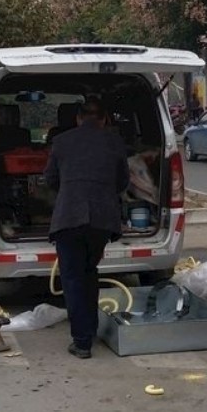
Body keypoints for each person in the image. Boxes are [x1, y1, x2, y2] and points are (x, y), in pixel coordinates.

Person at [43, 96, 130, 359]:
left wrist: (71, 193)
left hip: (69, 219)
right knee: (89, 271)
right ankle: (88, 330)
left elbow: (51, 179)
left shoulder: (61, 141)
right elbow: (123, 181)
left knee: (72, 278)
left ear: (78, 118)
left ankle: (82, 342)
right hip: (102, 221)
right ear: (104, 119)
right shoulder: (114, 142)